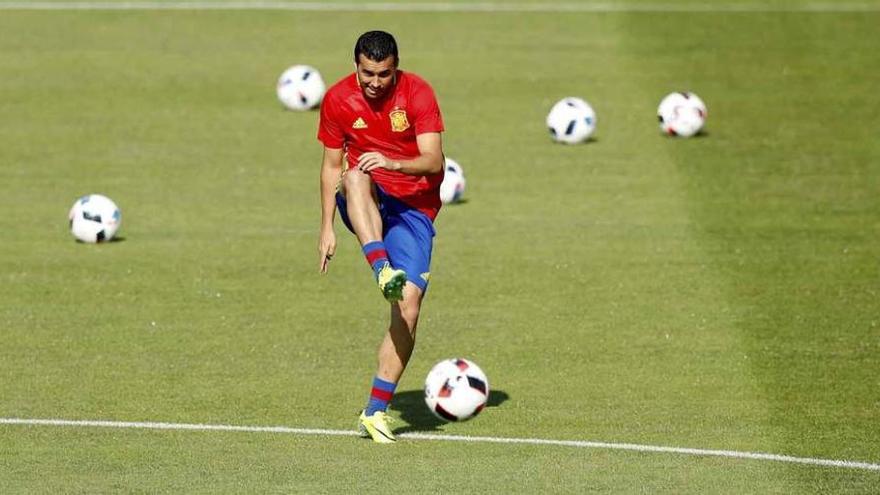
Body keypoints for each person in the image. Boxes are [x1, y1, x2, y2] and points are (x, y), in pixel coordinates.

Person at [316, 30, 445, 443]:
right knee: (355, 176)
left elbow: (432, 159)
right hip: (365, 198)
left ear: (396, 68)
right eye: (367, 73)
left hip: (414, 208)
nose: (374, 82)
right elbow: (331, 167)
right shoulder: (337, 98)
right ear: (356, 65)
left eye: (383, 74)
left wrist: (391, 160)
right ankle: (381, 267)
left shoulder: (418, 92)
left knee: (408, 306)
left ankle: (375, 411)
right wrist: (325, 228)